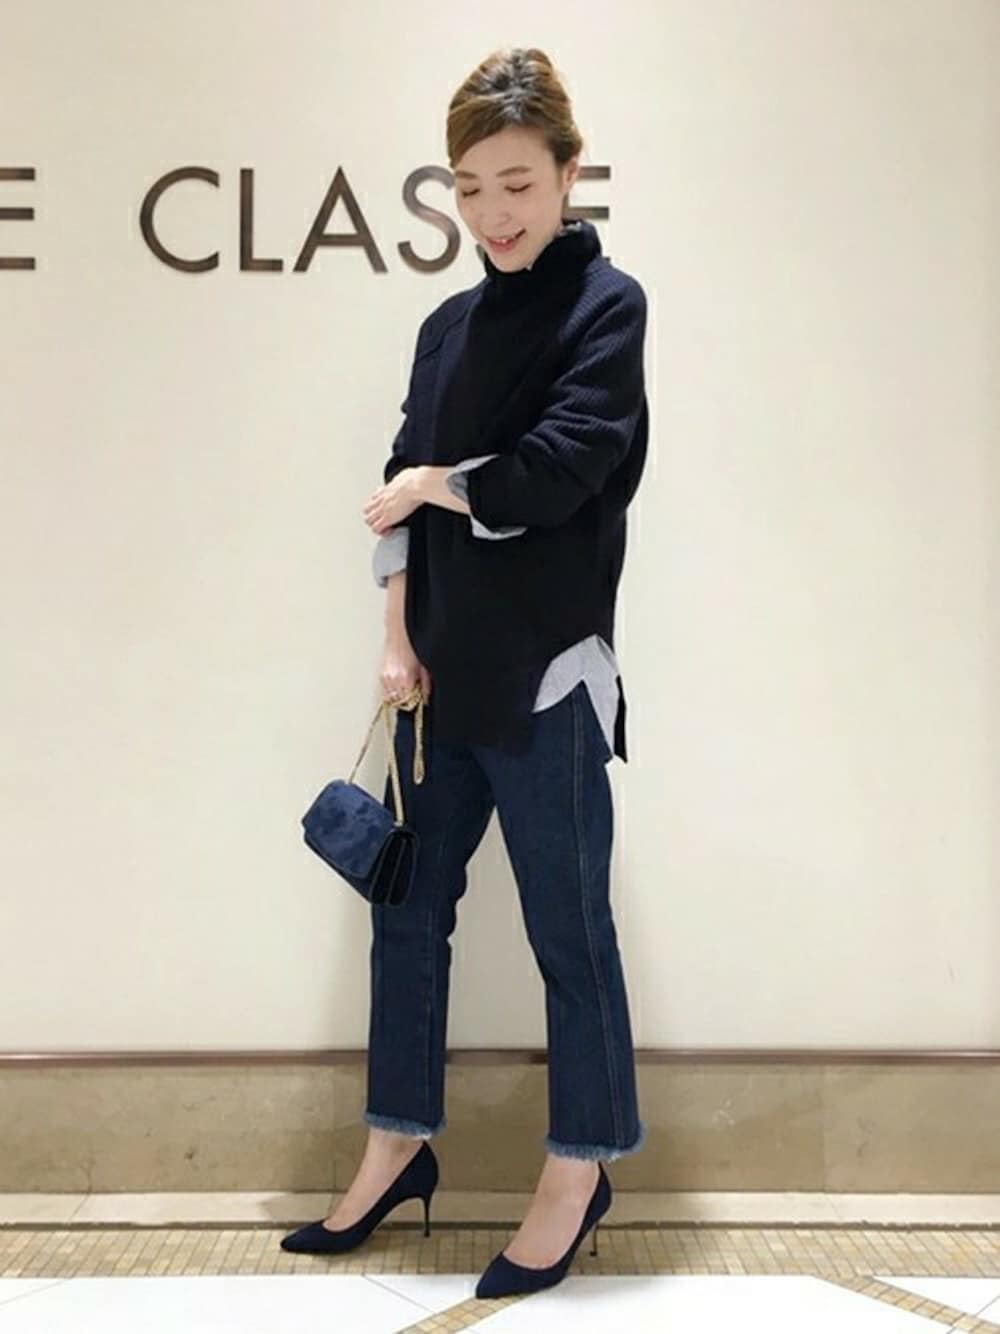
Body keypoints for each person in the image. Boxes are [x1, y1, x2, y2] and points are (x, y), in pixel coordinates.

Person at [281, 46, 649, 1299]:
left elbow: (561, 469)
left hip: (547, 678)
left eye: (517, 184)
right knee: (404, 910)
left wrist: (440, 482)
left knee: (569, 931)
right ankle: (398, 1143)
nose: (494, 212)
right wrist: (394, 636)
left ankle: (580, 1164)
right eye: (471, 187)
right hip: (436, 678)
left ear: (568, 173)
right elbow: (395, 492)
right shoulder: (444, 326)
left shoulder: (607, 307)